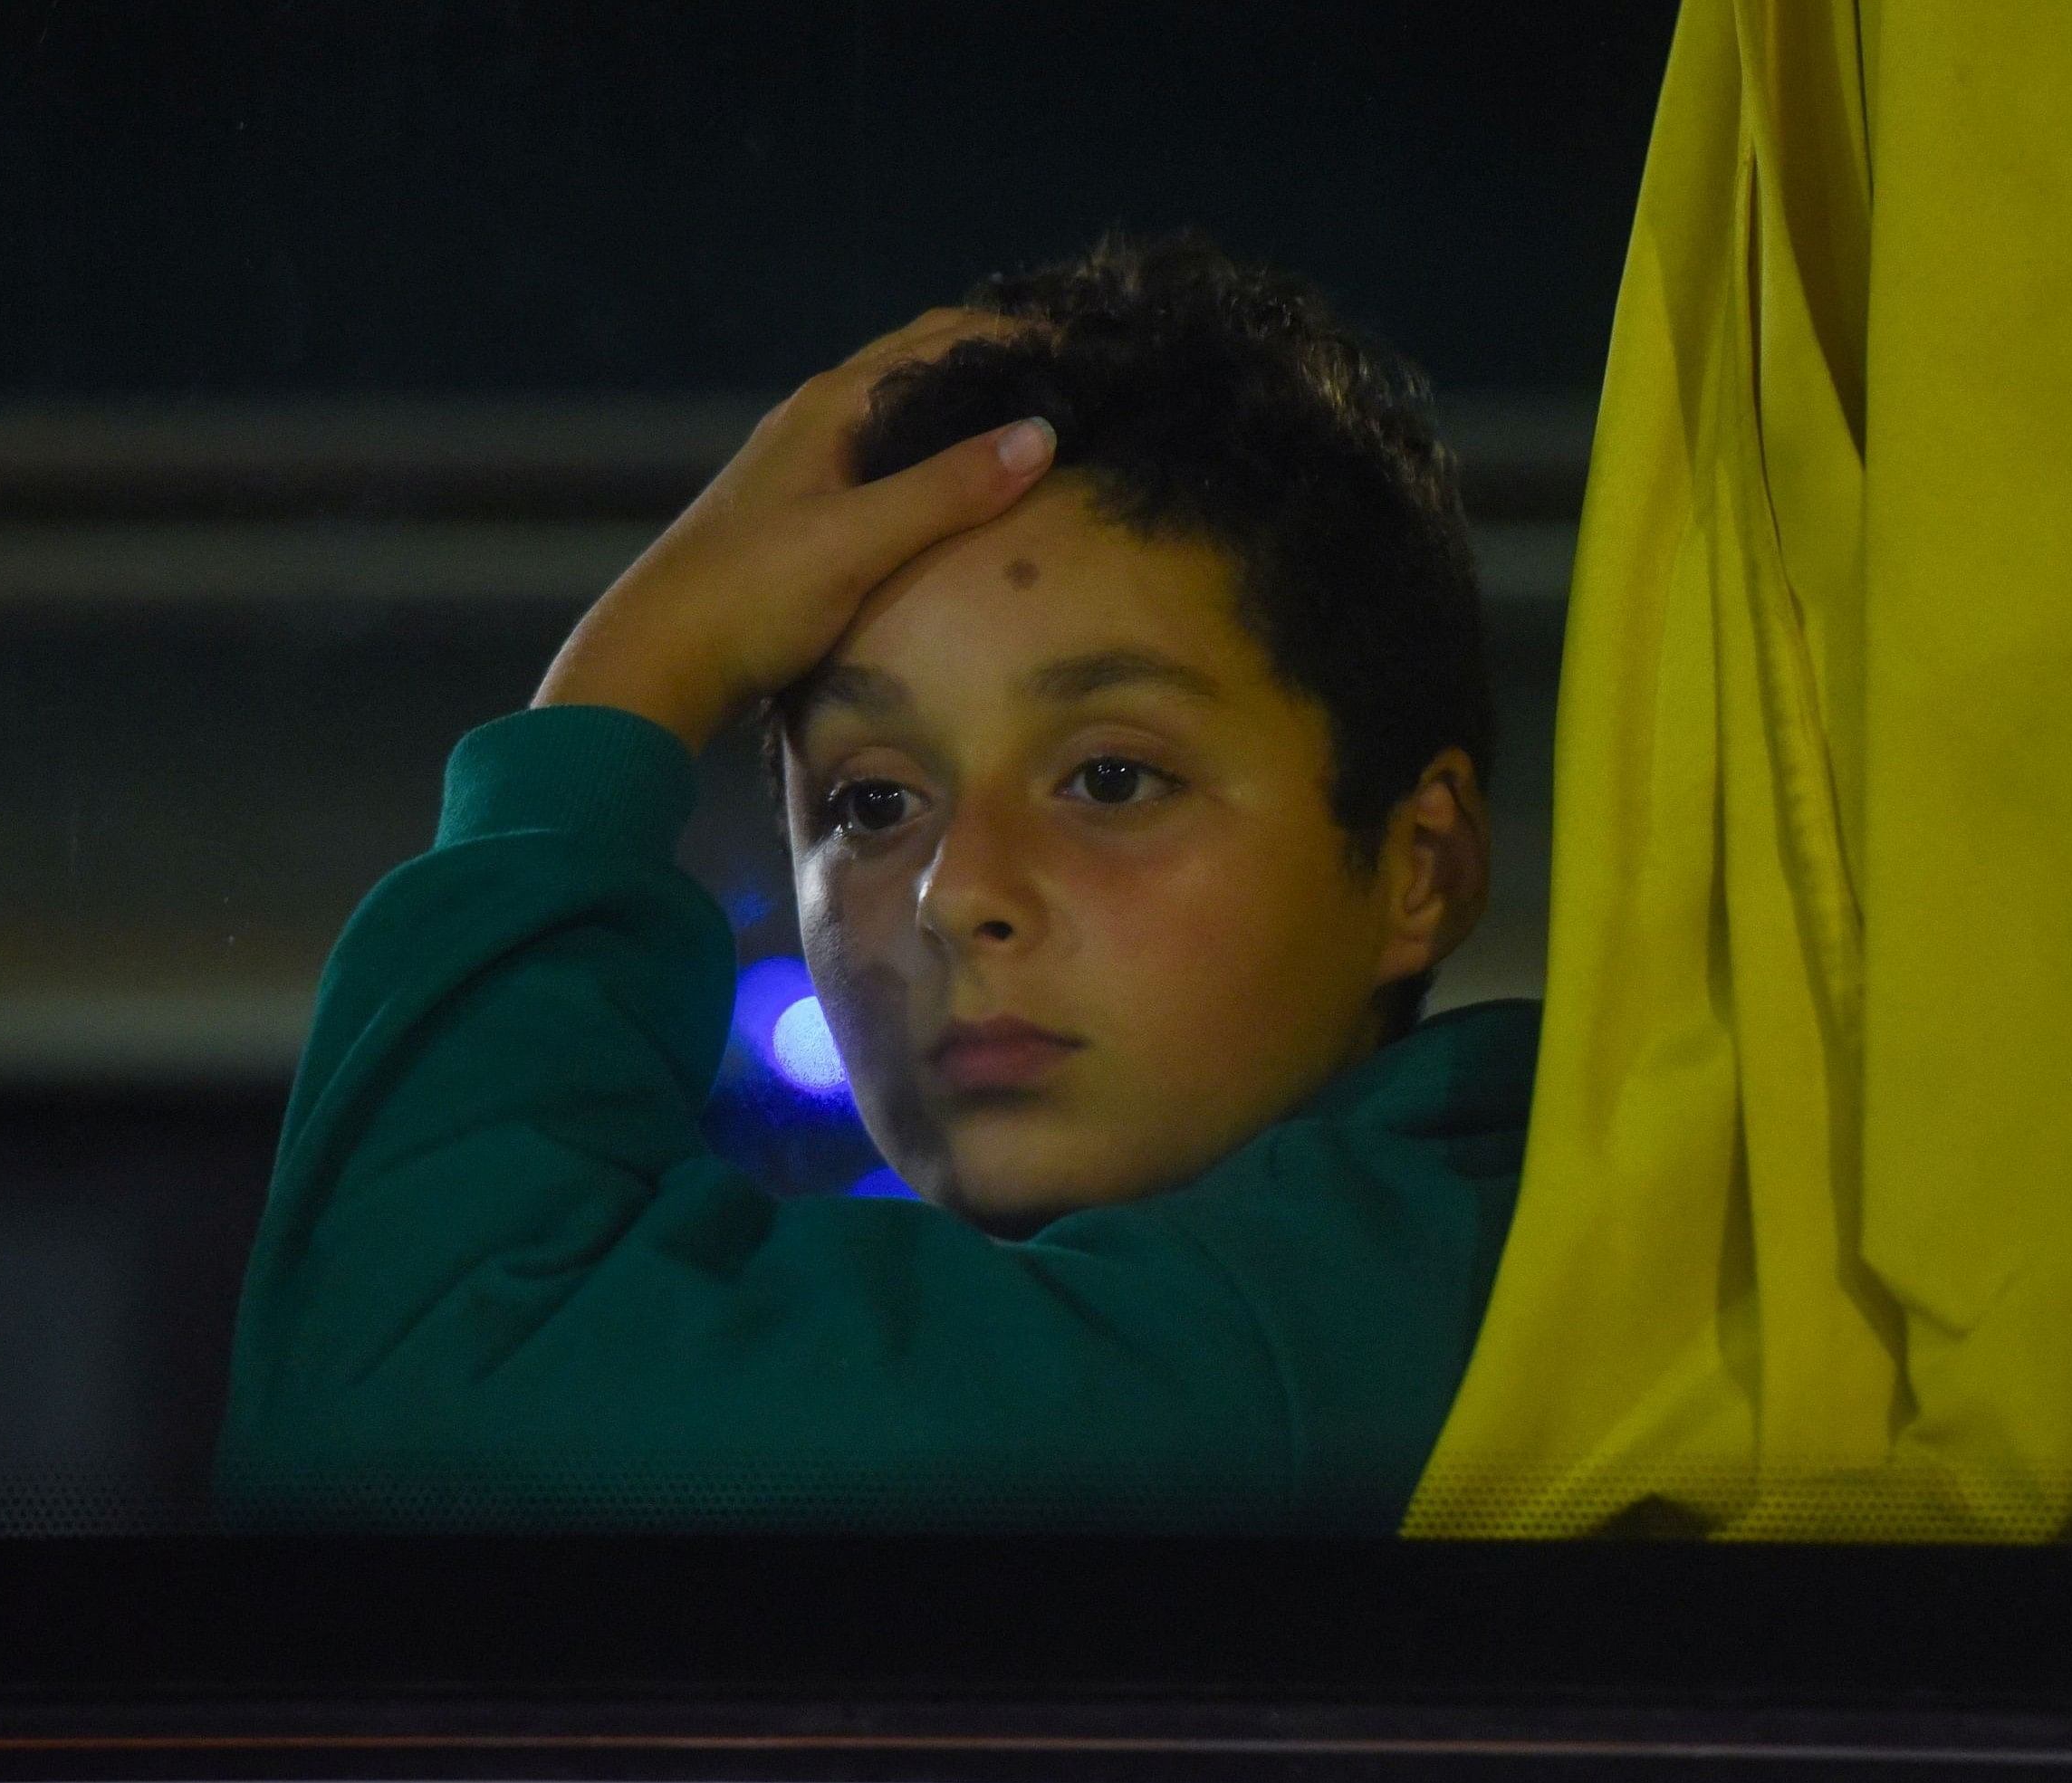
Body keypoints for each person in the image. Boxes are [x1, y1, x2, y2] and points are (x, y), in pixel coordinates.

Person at [218, 236, 1531, 1531]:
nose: (954, 897)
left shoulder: (1411, 1288)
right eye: (873, 803)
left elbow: (398, 1425)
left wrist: (632, 670)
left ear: (1423, 865)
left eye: (1114, 779)